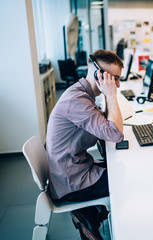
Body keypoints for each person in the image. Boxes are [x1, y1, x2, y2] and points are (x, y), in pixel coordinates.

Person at [46, 49, 124, 239]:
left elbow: (105, 124)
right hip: (71, 182)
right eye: (114, 79)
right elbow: (115, 134)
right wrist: (112, 96)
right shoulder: (77, 100)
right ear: (100, 75)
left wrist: (108, 95)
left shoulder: (83, 93)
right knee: (125, 180)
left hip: (72, 170)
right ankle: (94, 217)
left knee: (120, 168)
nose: (118, 85)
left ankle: (90, 215)